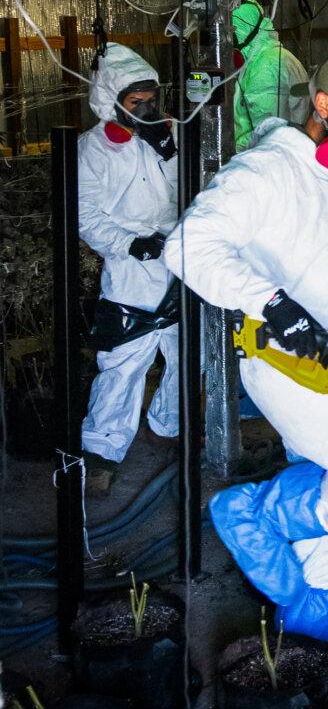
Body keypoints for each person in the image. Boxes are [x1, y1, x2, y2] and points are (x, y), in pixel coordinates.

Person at [164, 45, 328, 651]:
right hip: (285, 366)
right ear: (325, 106)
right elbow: (187, 246)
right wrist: (274, 305)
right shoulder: (266, 172)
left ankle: (310, 647)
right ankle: (258, 514)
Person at [78, 43, 179, 494]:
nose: (146, 108)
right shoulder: (95, 149)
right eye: (135, 102)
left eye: (150, 100)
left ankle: (166, 427)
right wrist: (130, 244)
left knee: (187, 353)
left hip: (179, 261)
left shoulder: (169, 136)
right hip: (130, 270)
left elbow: (196, 191)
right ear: (111, 100)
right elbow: (85, 214)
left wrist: (171, 152)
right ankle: (102, 450)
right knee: (122, 362)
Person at [232, 0, 310, 151]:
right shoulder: (273, 56)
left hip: (266, 159)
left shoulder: (264, 68)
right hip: (285, 152)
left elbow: (266, 133)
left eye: (232, 35)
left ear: (242, 31)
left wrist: (230, 149)